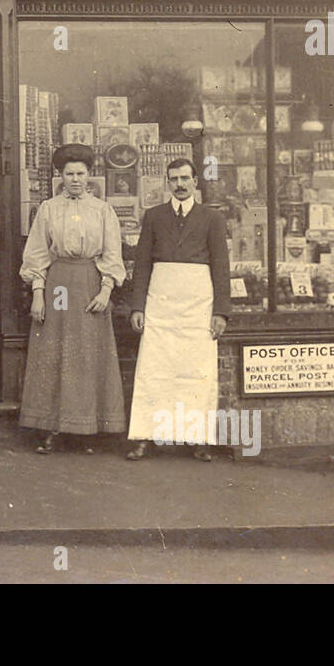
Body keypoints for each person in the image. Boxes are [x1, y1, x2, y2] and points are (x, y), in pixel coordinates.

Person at [19, 144, 127, 454]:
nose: (75, 179)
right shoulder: (49, 209)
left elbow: (112, 254)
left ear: (90, 175)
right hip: (59, 285)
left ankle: (85, 429)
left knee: (86, 354)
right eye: (69, 174)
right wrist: (38, 295)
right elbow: (37, 253)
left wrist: (106, 290)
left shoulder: (103, 210)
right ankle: (52, 427)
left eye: (80, 173)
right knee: (56, 349)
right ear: (60, 176)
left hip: (90, 283)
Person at [127, 158, 231, 461]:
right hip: (160, 300)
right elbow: (142, 264)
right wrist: (138, 306)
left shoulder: (212, 218)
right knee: (153, 369)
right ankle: (145, 436)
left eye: (185, 178)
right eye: (174, 179)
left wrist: (220, 311)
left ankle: (198, 439)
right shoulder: (155, 216)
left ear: (196, 181)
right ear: (167, 183)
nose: (180, 184)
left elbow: (222, 267)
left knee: (197, 370)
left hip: (198, 301)